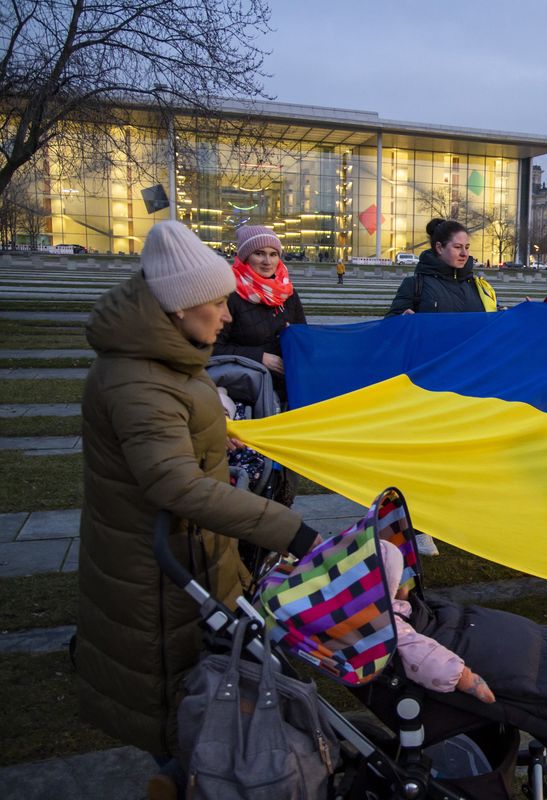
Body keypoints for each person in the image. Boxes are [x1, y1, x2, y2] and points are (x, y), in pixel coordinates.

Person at [75, 221, 321, 797]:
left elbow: (174, 438)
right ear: (179, 308)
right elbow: (174, 485)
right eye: (216, 302)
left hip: (188, 558)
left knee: (202, 697)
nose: (228, 313)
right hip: (157, 578)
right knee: (177, 708)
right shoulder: (139, 379)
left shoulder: (162, 361)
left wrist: (217, 438)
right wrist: (291, 530)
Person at [380, 541, 495, 703]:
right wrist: (464, 677)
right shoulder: (383, 624)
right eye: (401, 582)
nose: (406, 588)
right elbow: (421, 655)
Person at [213, 225, 306, 402]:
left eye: (273, 254)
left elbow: (304, 339)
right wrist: (259, 358)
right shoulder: (229, 294)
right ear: (245, 257)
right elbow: (212, 348)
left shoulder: (288, 293)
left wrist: (295, 336)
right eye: (259, 253)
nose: (267, 261)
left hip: (289, 387)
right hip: (246, 393)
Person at [386, 219, 498, 315]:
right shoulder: (414, 285)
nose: (464, 253)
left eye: (467, 247)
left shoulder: (478, 286)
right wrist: (402, 321)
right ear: (439, 248)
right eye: (458, 247)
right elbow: (389, 328)